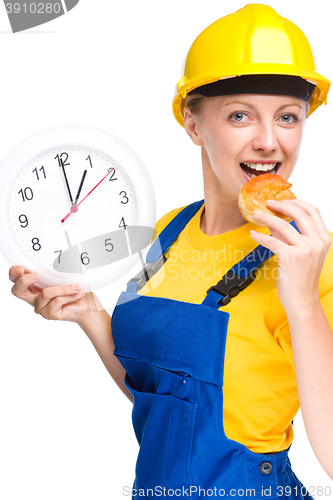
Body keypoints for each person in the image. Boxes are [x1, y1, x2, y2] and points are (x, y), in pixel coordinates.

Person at [8, 3, 333, 499]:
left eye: (288, 117)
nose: (270, 142)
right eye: (240, 115)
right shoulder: (169, 230)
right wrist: (91, 315)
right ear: (192, 123)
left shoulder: (314, 258)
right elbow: (161, 400)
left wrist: (305, 303)